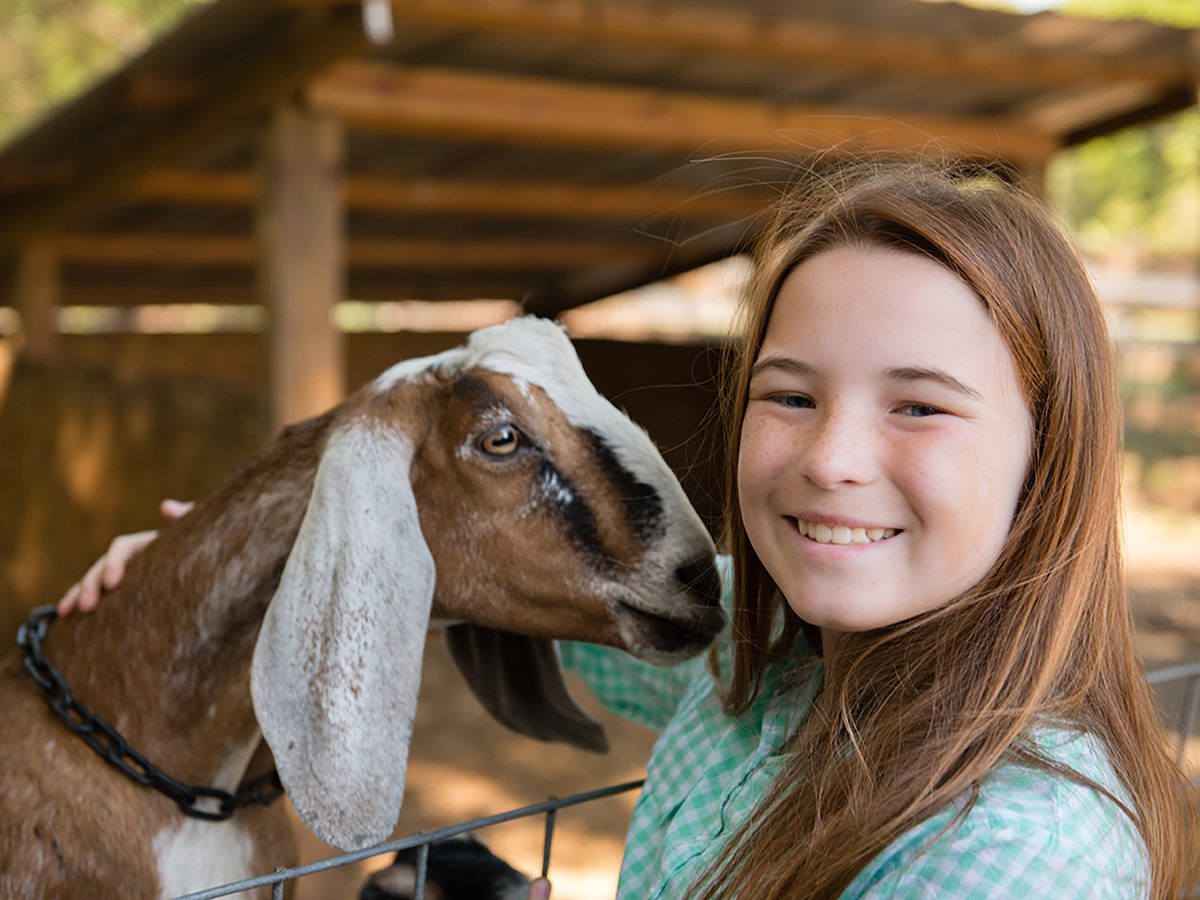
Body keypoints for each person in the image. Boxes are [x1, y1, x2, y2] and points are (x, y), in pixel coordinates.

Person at [58, 154, 1197, 899]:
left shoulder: (1014, 860)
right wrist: (229, 579)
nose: (830, 460)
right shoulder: (764, 660)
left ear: (1049, 454)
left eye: (920, 405)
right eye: (790, 395)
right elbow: (525, 581)